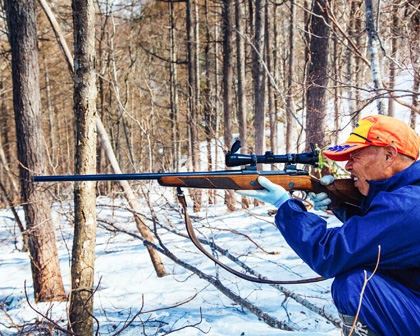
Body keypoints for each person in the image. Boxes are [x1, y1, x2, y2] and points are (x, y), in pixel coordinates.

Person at [236, 115, 420, 336]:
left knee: (355, 285)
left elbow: (328, 253)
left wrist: (285, 206)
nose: (348, 165)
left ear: (389, 155)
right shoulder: (407, 195)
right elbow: (387, 237)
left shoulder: (406, 205)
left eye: (355, 156)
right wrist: (341, 204)